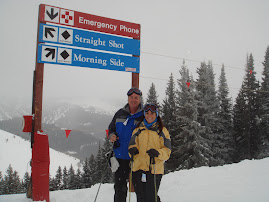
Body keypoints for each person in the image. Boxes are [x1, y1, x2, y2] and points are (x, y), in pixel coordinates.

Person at [128, 104, 171, 202]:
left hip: (154, 170)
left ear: (156, 114)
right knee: (141, 198)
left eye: (152, 113)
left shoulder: (162, 131)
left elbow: (167, 151)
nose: (149, 115)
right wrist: (132, 150)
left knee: (151, 198)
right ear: (144, 114)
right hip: (138, 169)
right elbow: (131, 146)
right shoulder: (138, 130)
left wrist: (158, 153)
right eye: (147, 113)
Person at [108, 87, 144, 202]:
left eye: (136, 98)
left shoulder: (144, 115)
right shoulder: (120, 113)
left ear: (139, 99)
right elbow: (111, 128)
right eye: (131, 97)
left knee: (141, 188)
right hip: (120, 157)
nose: (134, 100)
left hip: (137, 158)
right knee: (120, 189)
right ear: (128, 98)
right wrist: (111, 135)